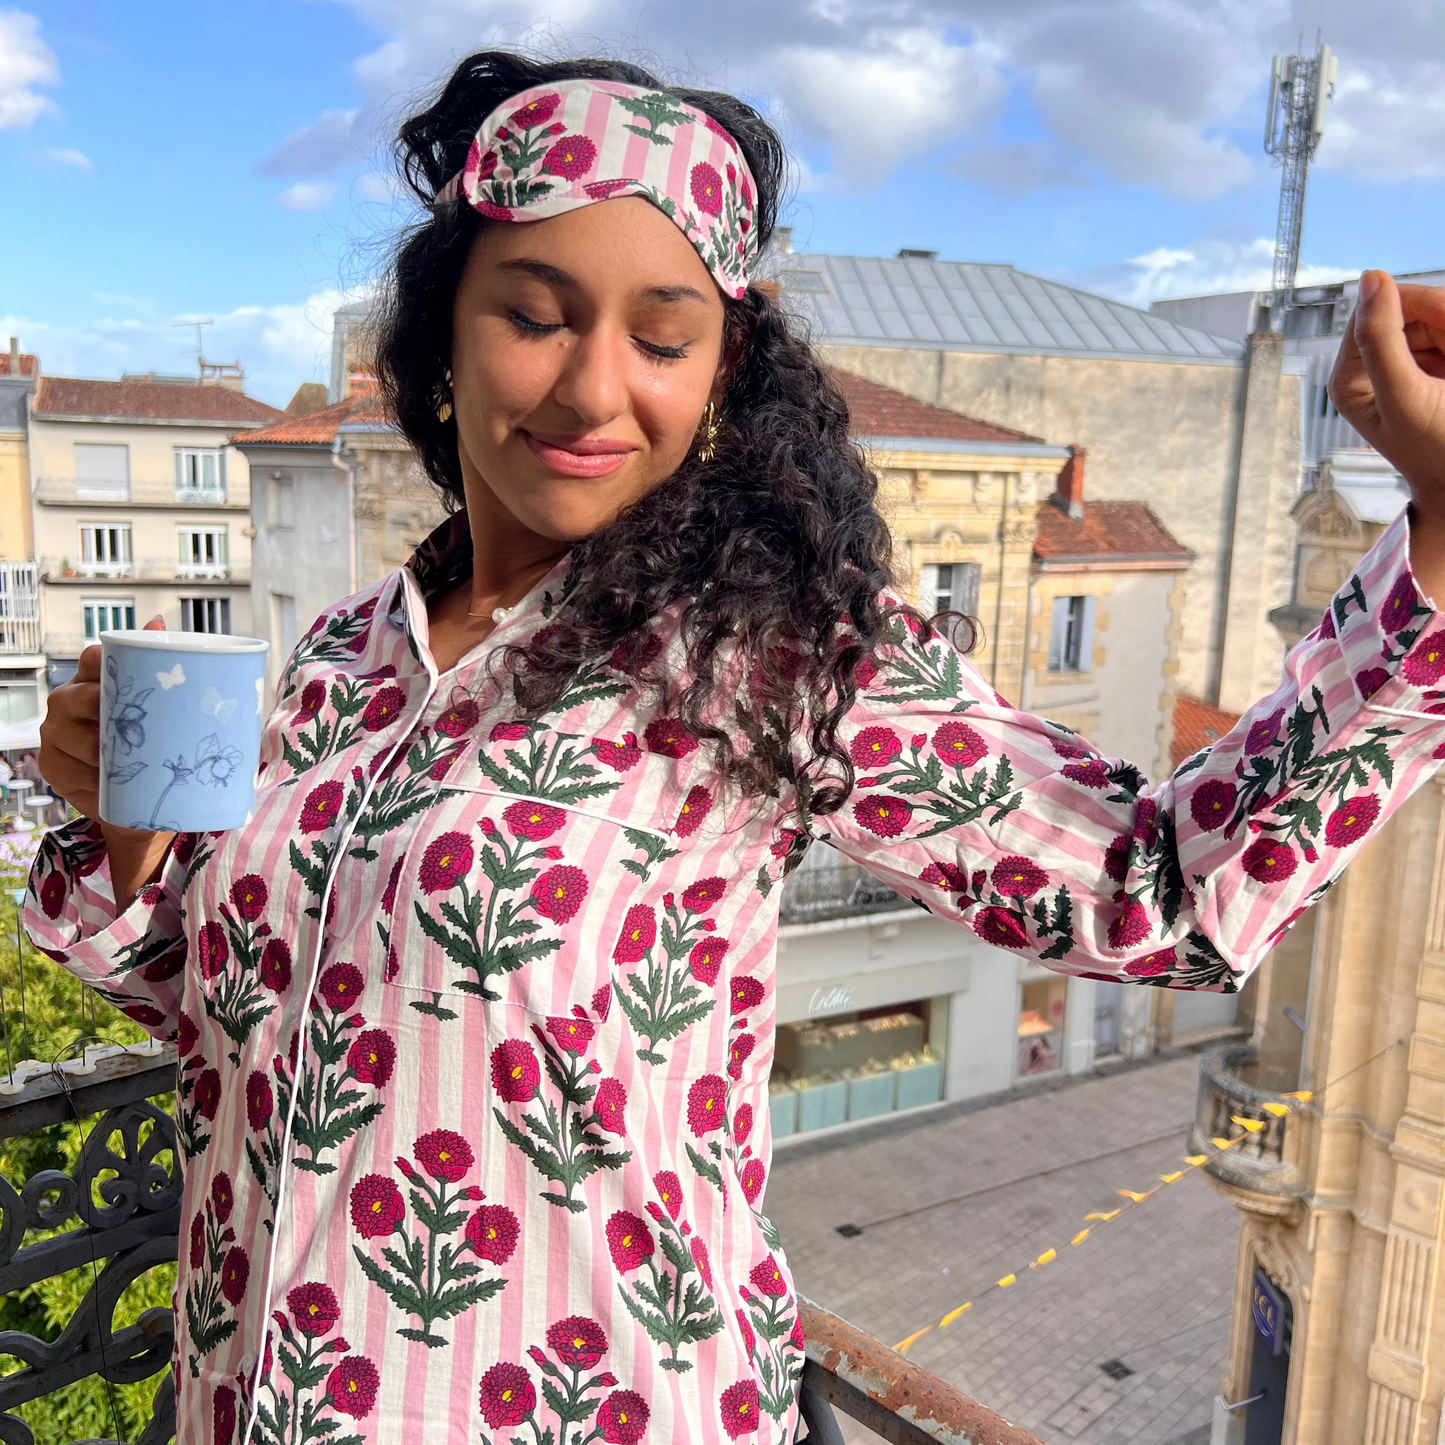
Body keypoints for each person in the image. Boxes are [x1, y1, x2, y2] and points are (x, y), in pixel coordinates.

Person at [25, 52, 1445, 1445]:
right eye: (535, 314)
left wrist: (1436, 542)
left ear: (719, 376)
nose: (594, 391)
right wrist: (128, 835)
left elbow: (1159, 894)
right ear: (441, 338)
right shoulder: (341, 660)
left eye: (661, 337)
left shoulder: (771, 657)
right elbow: (252, 1022)